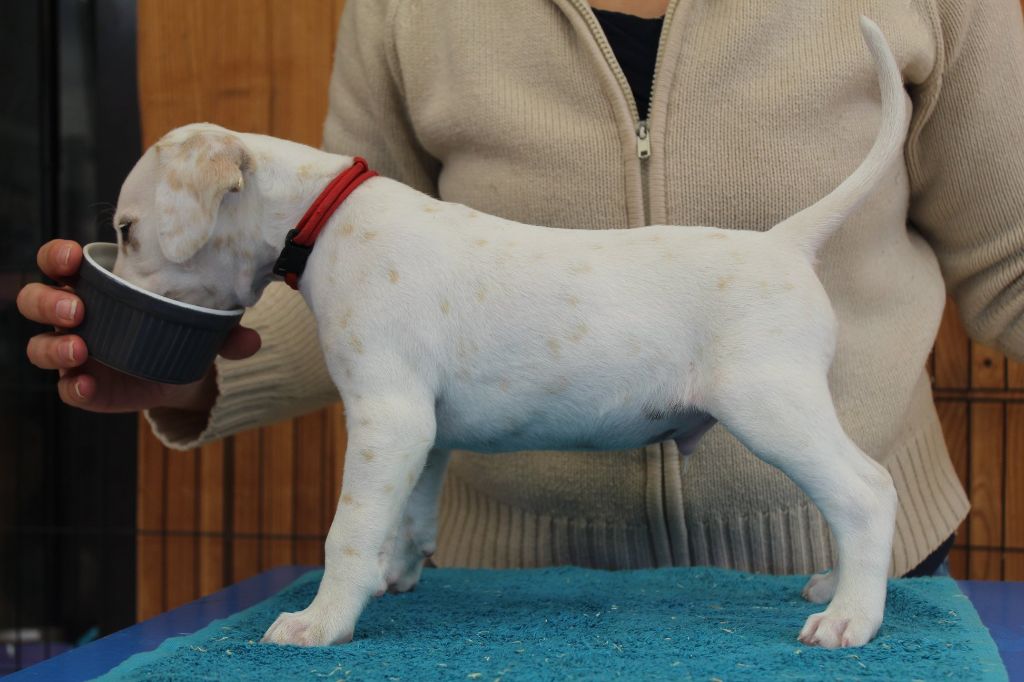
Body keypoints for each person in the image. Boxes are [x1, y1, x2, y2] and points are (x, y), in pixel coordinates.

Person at [18, 0, 1024, 578]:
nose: (135, 252)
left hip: (826, 560)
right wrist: (189, 364)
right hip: (504, 585)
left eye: (137, 236)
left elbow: (1010, 262)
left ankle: (860, 530)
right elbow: (356, 296)